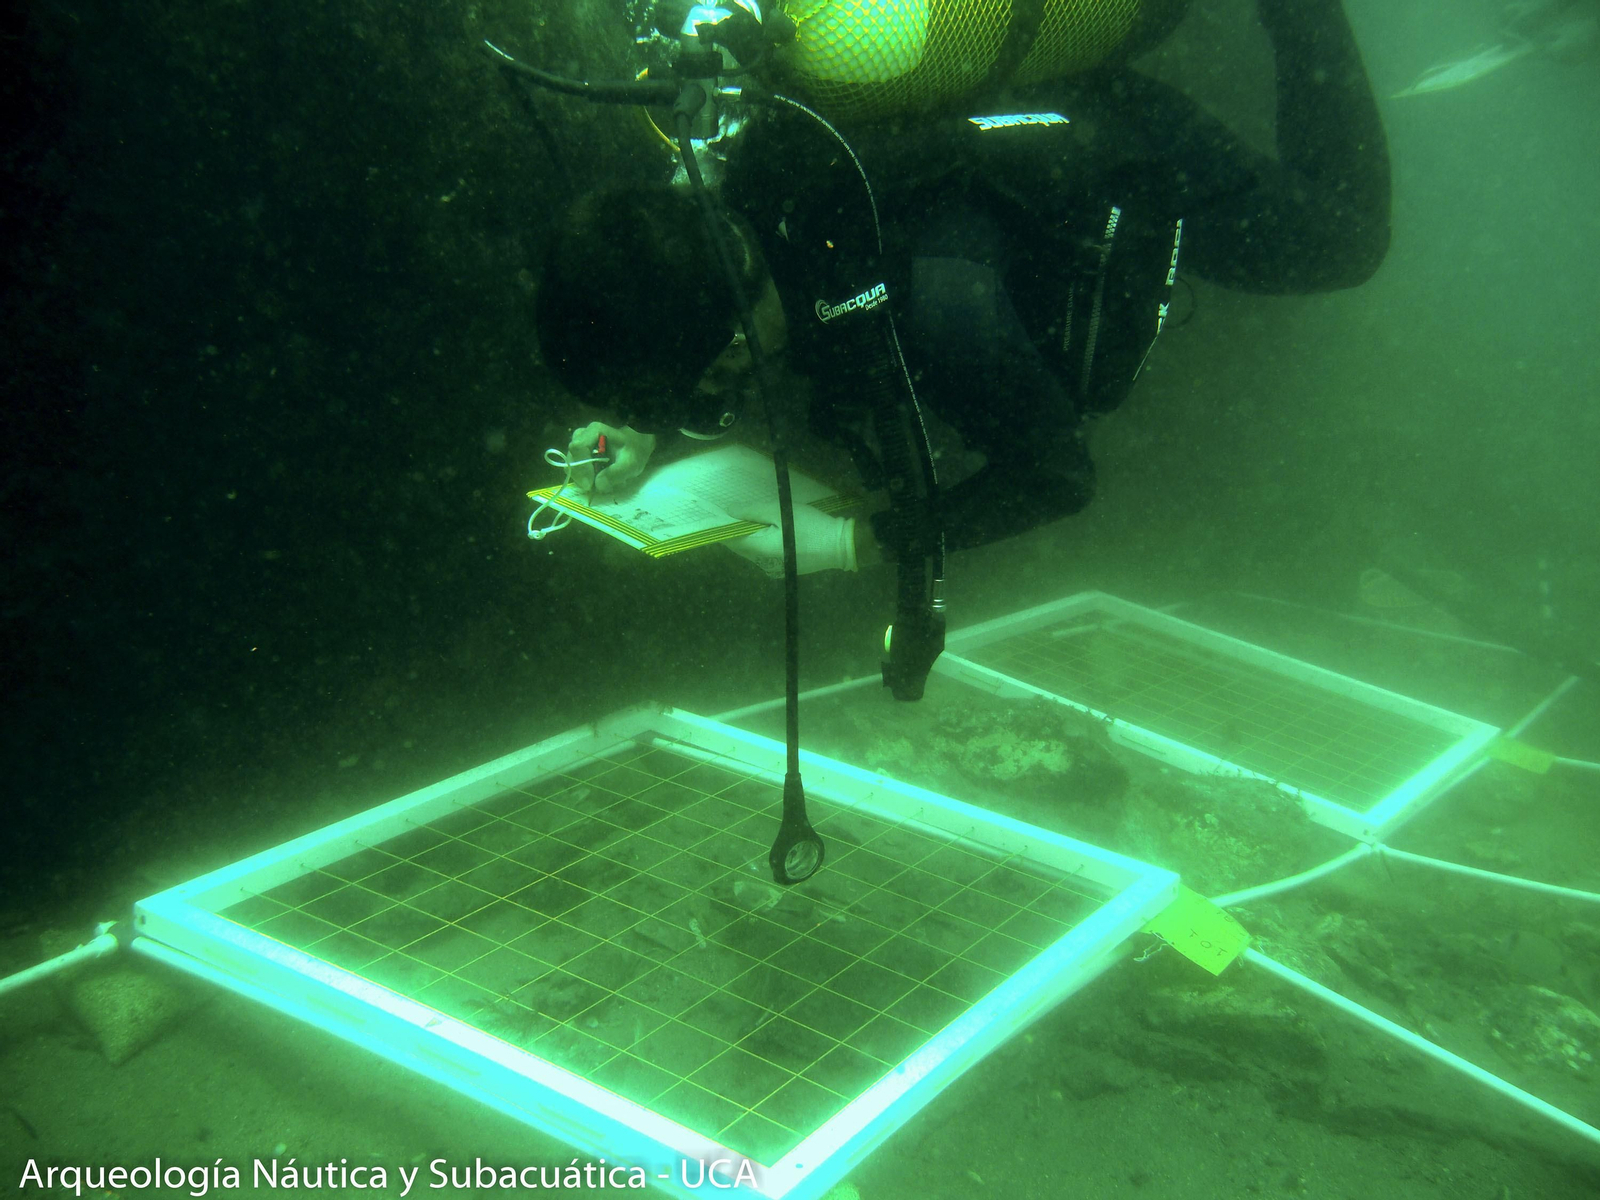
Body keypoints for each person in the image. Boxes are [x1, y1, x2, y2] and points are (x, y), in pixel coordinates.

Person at [534, 0, 1391, 576]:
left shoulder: (943, 309)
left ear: (726, 346)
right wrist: (637, 427)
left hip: (1110, 135)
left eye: (712, 386)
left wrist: (850, 544)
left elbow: (1055, 473)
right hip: (1002, 87)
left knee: (1341, 243)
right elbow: (666, 271)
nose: (716, 400)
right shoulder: (719, 179)